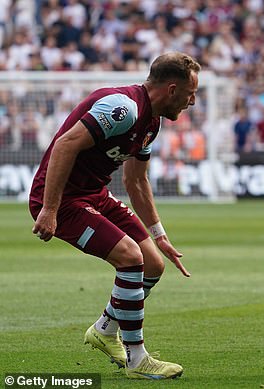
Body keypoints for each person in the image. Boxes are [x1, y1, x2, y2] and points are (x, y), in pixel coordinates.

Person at [29, 52, 198, 379]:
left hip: (94, 195)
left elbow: (136, 180)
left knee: (152, 264)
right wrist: (49, 209)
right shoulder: (123, 109)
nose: (192, 101)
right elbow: (65, 146)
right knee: (130, 257)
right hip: (62, 199)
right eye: (191, 93)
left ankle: (104, 329)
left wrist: (159, 234)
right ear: (172, 89)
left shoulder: (152, 122)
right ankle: (137, 359)